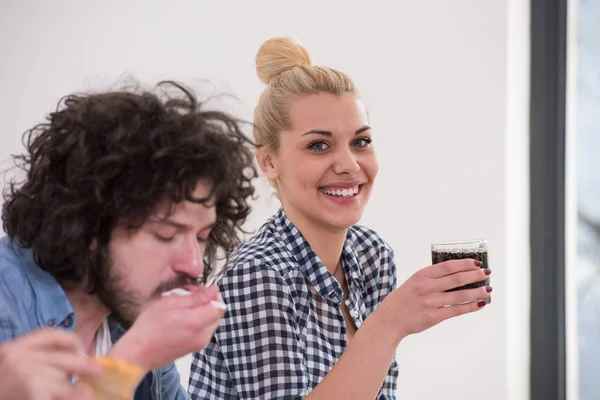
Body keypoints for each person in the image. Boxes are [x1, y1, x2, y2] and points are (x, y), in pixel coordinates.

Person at [189, 37, 493, 400]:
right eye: (319, 145)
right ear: (269, 162)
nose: (349, 164)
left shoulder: (371, 255)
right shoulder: (258, 275)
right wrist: (389, 323)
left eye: (361, 142)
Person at [0, 81, 257, 400]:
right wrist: (137, 354)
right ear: (91, 225)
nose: (193, 263)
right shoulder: (5, 300)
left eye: (202, 236)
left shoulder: (129, 313)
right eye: (166, 235)